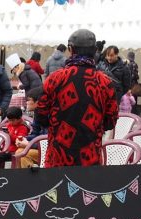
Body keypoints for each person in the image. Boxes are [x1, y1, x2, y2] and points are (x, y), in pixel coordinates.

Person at [38, 29, 117, 167]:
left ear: (70, 49)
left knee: (55, 182)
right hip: (89, 159)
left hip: (58, 158)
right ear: (95, 50)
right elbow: (110, 122)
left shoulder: (54, 79)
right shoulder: (105, 82)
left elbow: (41, 116)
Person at [16, 86, 46, 168]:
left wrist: (29, 144)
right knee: (19, 152)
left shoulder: (50, 115)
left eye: (28, 100)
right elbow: (35, 133)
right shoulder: (38, 113)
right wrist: (24, 139)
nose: (26, 102)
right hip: (40, 147)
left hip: (50, 151)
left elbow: (48, 141)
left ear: (37, 102)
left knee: (21, 153)